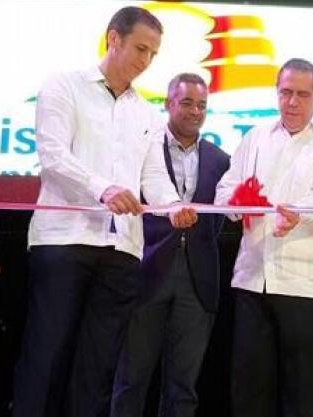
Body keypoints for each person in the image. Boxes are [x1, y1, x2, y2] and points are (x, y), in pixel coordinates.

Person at [12, 7, 197, 417]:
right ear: (113, 38)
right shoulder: (64, 86)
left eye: (153, 53)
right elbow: (53, 156)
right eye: (140, 48)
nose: (145, 61)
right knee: (46, 355)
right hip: (63, 241)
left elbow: (153, 178)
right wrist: (104, 189)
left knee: (98, 367)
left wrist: (173, 207)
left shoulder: (147, 113)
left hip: (122, 251)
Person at [214, 58, 313, 417]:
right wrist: (237, 202)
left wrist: (297, 213)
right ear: (276, 92)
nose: (292, 102)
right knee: (248, 392)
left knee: (304, 397)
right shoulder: (255, 136)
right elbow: (225, 191)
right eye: (286, 93)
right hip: (252, 280)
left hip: (306, 284)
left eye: (301, 95)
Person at [111, 73, 231, 417]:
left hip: (198, 282)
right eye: (187, 102)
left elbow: (218, 220)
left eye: (202, 105)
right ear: (168, 104)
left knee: (184, 388)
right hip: (146, 275)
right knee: (130, 381)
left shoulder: (221, 160)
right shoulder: (144, 149)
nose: (196, 111)